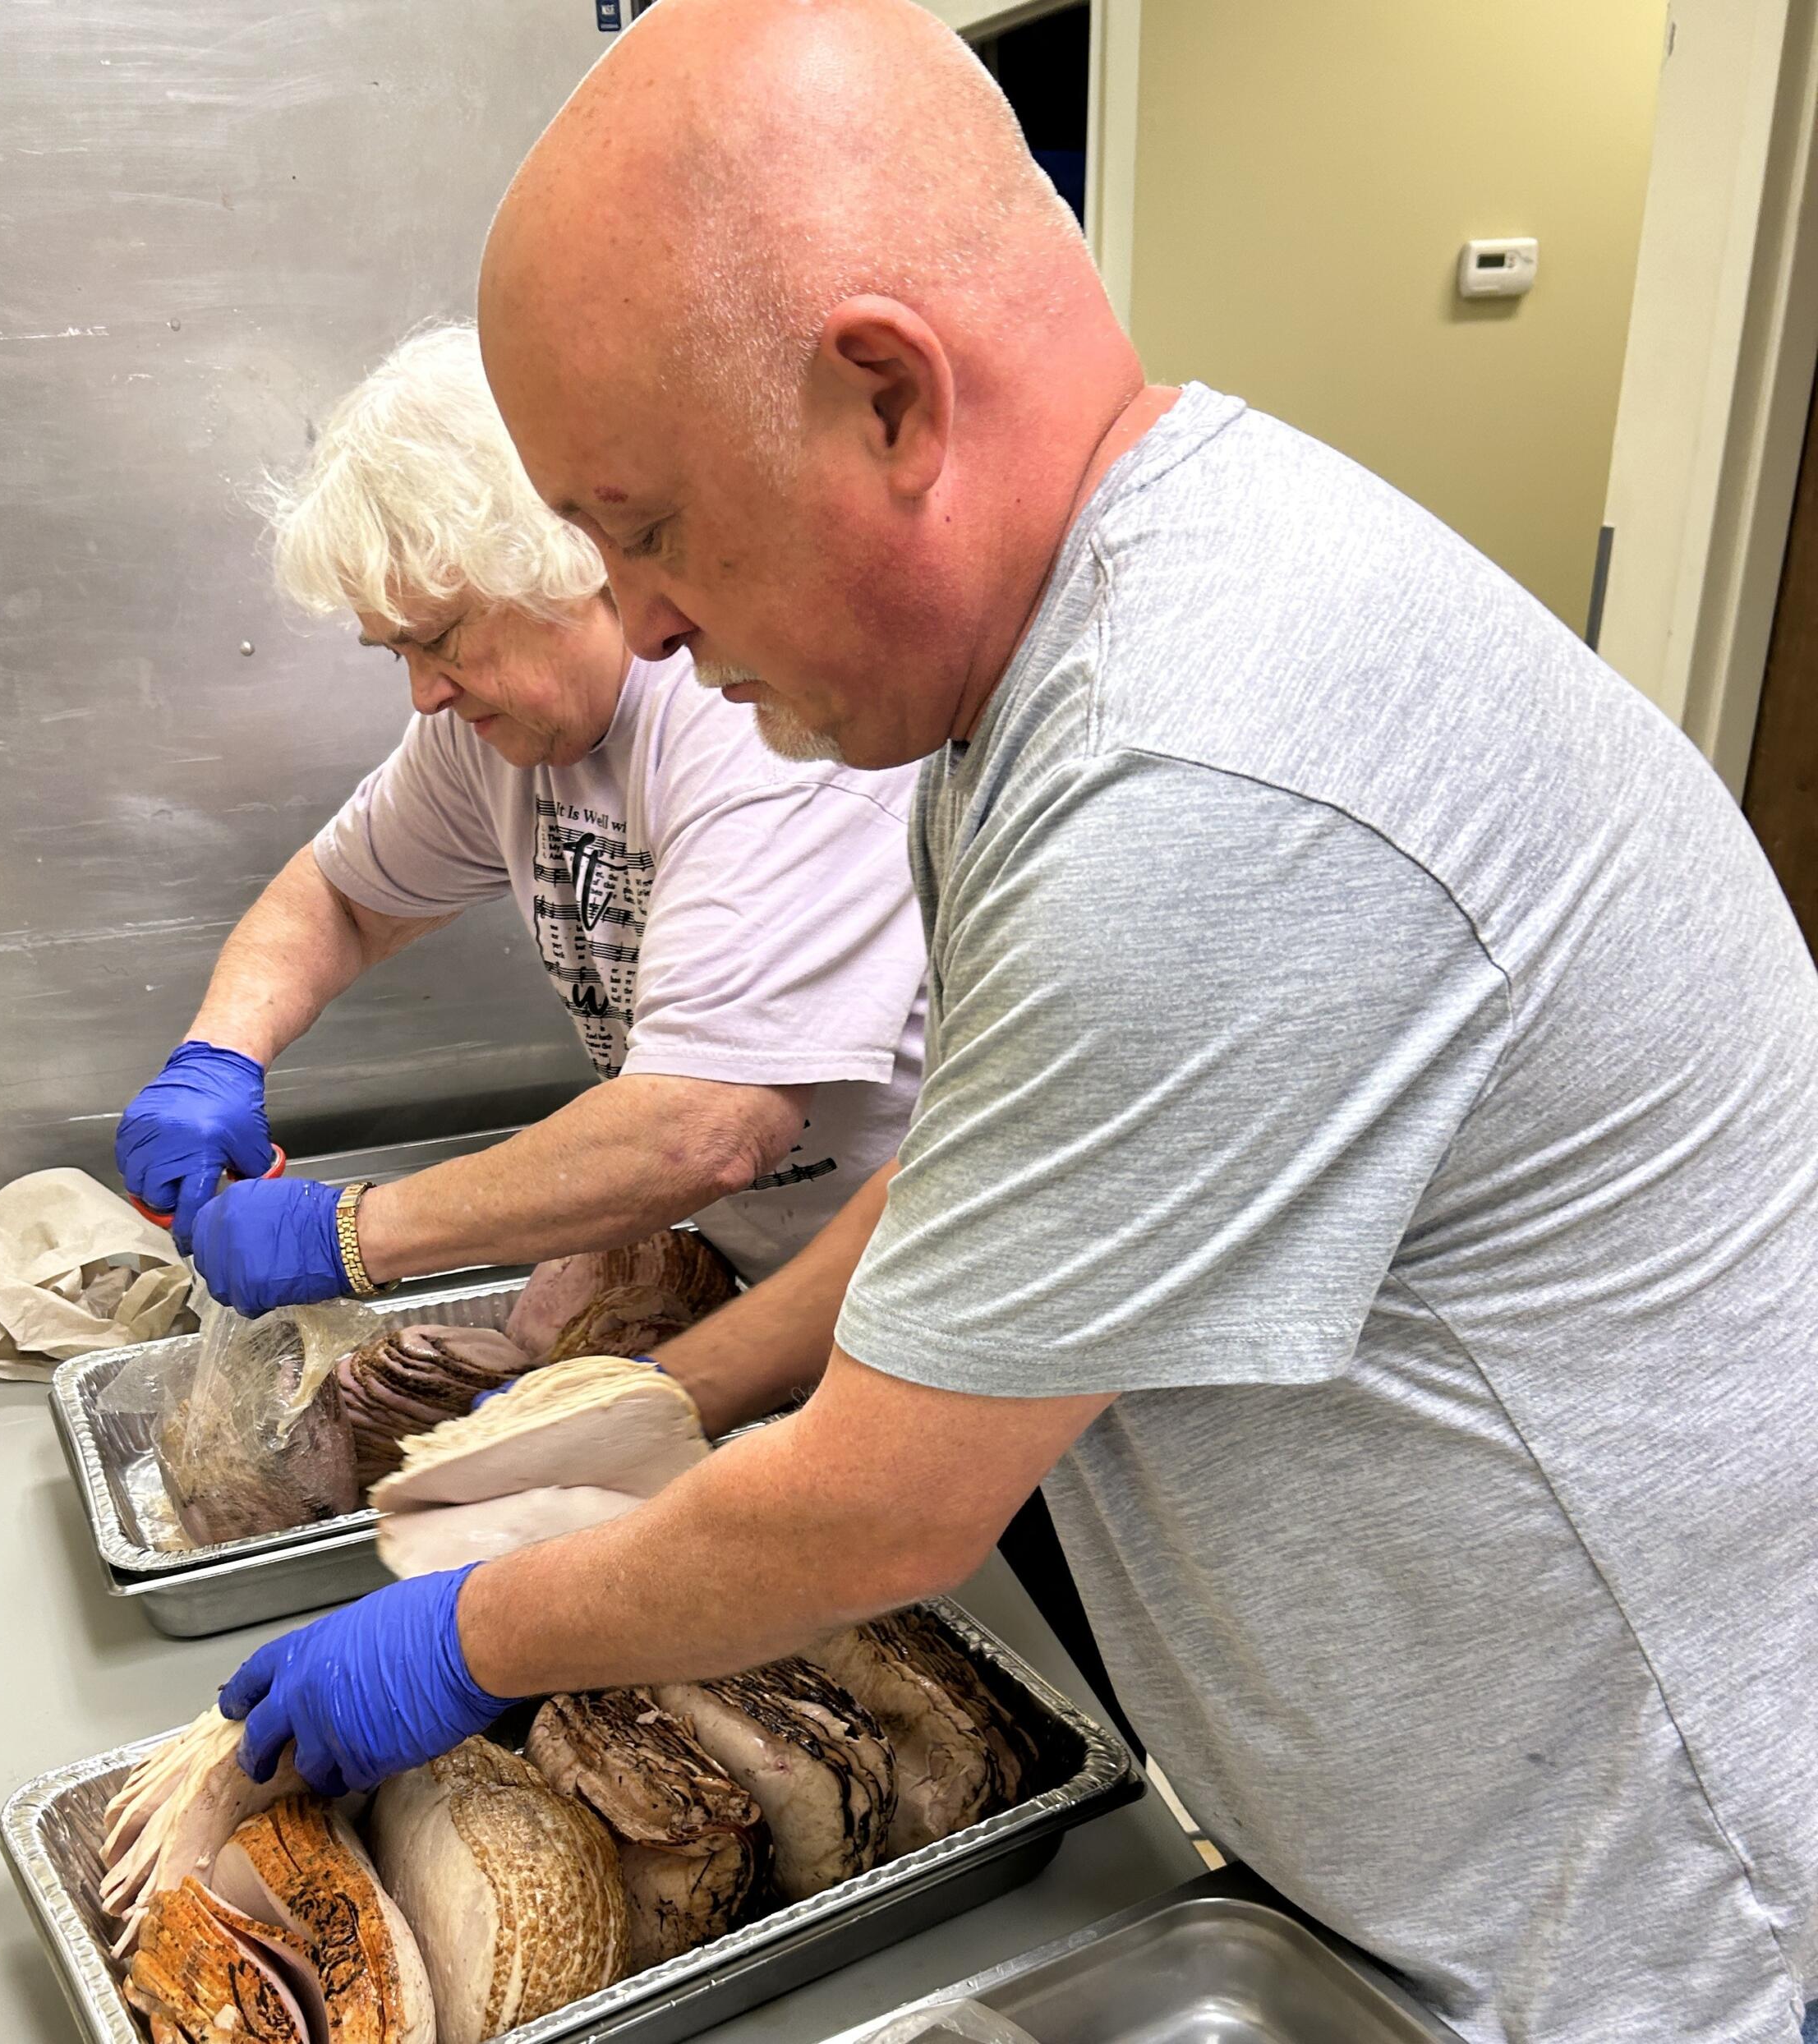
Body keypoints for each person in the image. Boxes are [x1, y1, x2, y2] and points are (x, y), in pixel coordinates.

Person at [215, 7, 1818, 2041]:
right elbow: (981, 1175)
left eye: (646, 529)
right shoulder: (1043, 684)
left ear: (884, 395)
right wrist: (672, 1400)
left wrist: (470, 1634)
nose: (637, 620)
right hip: (1416, 1846)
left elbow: (885, 1501)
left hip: (1633, 1922)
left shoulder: (1191, 776)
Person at [116, 324, 926, 1319]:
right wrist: (218, 1055)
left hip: (935, 1296)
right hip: (776, 1280)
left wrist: (354, 1235)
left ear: (571, 561)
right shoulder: (496, 727)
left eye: (442, 638)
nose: (423, 694)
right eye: (395, 652)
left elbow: (703, 1128)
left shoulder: (761, 727)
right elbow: (345, 899)